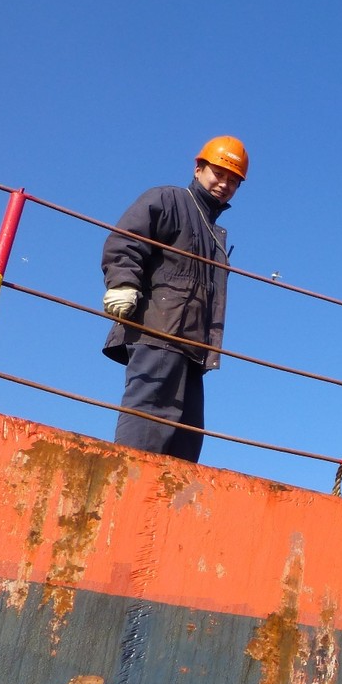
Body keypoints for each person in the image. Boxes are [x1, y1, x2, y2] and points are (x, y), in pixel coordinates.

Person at [100, 136, 248, 462]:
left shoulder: (215, 236)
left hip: (194, 350)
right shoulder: (168, 199)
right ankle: (128, 487)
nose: (224, 184)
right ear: (198, 168)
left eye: (234, 181)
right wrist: (122, 282)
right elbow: (127, 239)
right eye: (219, 174)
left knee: (187, 439)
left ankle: (165, 508)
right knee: (147, 422)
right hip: (158, 332)